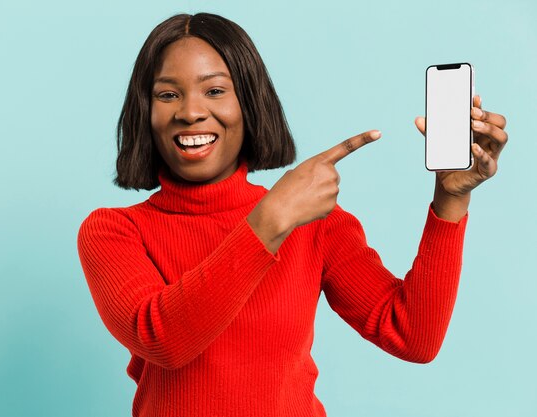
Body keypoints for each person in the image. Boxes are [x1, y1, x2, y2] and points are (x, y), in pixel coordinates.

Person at [76, 12, 508, 417]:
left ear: (249, 103)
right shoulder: (114, 231)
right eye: (168, 94)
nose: (190, 112)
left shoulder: (313, 222)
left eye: (215, 90)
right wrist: (270, 220)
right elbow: (164, 340)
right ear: (146, 112)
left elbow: (414, 336)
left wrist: (450, 201)